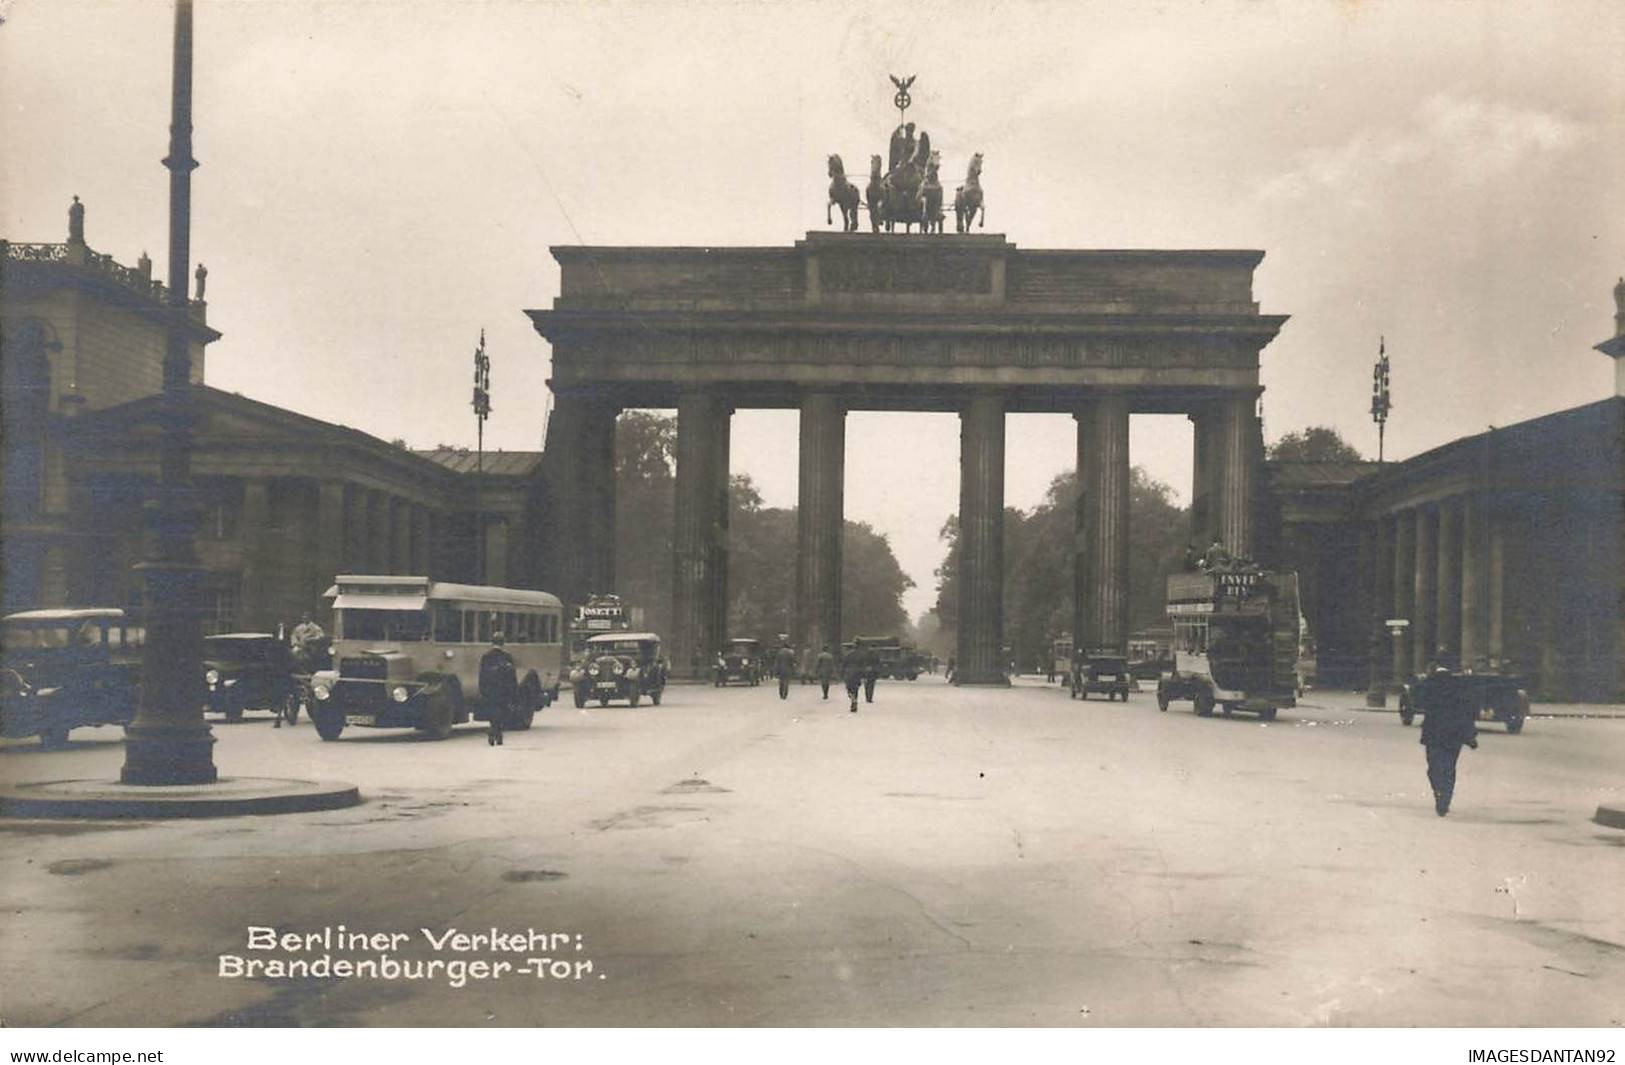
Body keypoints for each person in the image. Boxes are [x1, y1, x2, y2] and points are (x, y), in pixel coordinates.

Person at [1419, 661, 1477, 815]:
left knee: (1433, 767)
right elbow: (1467, 712)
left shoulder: (1429, 684)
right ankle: (1446, 796)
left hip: (1433, 733)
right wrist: (1470, 736)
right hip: (1454, 735)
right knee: (1449, 767)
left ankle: (1438, 791)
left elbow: (1418, 701)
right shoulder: (1460, 686)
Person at [480, 632, 518, 746]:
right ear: (503, 643)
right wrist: (514, 691)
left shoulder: (486, 656)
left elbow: (482, 675)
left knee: (492, 711)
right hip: (504, 690)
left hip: (490, 689)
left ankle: (493, 730)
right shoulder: (507, 656)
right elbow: (512, 676)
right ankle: (498, 733)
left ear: (492, 642)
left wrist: (482, 689)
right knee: (502, 712)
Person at [841, 644, 865, 712]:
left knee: (849, 689)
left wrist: (842, 673)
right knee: (856, 689)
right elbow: (862, 666)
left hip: (848, 674)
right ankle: (854, 700)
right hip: (857, 674)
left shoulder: (847, 655)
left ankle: (853, 699)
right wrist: (863, 675)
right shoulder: (860, 656)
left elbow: (843, 665)